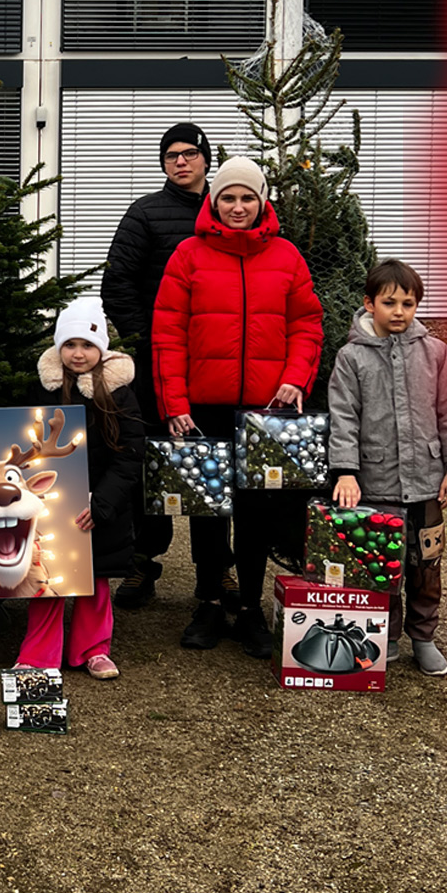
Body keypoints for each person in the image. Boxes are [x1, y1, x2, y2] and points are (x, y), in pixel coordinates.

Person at [151, 157, 324, 659]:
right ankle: (207, 601)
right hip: (203, 407)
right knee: (208, 512)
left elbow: (307, 326)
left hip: (267, 411)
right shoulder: (188, 255)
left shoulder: (288, 256)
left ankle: (248, 606)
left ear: (262, 200)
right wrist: (175, 402)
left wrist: (295, 379)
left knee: (256, 513)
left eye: (247, 197)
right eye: (228, 197)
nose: (238, 206)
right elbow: (168, 334)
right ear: (214, 201)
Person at [327, 259, 447, 677]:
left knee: (426, 565)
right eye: (389, 302)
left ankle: (423, 637)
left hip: (426, 483)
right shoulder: (351, 358)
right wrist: (347, 472)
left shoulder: (435, 353)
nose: (399, 312)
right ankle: (383, 633)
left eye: (408, 303)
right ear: (369, 304)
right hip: (376, 483)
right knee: (379, 562)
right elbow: (344, 418)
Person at [99, 122, 213, 609]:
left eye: (189, 154)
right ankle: (142, 562)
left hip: (212, 366)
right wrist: (149, 342)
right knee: (150, 463)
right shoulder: (145, 213)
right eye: (171, 156)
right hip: (154, 363)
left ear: (207, 158)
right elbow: (117, 283)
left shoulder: (230, 211)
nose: (180, 162)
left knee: (211, 464)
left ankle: (217, 570)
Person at [17, 296, 146, 680]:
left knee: (95, 579)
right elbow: (24, 445)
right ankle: (39, 653)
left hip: (101, 507)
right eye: (70, 344)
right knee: (45, 578)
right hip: (52, 506)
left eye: (87, 345)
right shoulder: (41, 389)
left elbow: (129, 456)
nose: (77, 354)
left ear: (101, 349)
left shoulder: (120, 393)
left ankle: (94, 649)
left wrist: (102, 502)